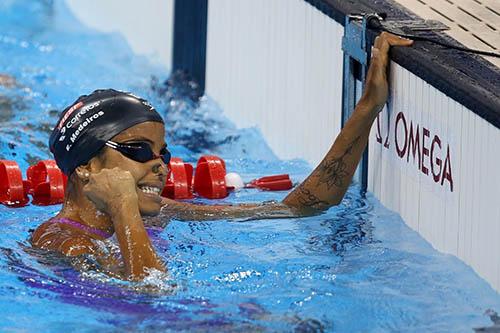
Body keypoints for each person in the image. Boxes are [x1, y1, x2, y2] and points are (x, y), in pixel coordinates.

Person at [31, 33, 413, 280]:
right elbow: (146, 295)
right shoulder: (62, 244)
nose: (159, 164)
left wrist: (367, 108)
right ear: (85, 167)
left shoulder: (163, 212)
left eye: (163, 152)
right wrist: (124, 207)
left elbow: (301, 208)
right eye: (138, 150)